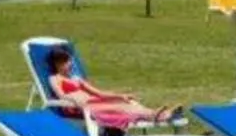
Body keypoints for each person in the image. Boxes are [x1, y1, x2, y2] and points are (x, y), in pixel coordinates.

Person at [45, 46, 182, 130]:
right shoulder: (54, 78)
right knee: (121, 107)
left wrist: (120, 96)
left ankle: (159, 114)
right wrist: (73, 99)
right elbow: (61, 95)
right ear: (56, 64)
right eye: (65, 62)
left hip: (93, 102)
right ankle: (157, 115)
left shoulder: (76, 79)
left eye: (69, 60)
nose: (69, 64)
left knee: (129, 102)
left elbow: (100, 93)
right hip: (80, 107)